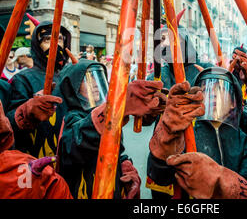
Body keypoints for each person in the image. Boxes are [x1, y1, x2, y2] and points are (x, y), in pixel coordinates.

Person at [146, 67, 247, 199]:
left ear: (234, 102)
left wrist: (221, 183)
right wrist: (165, 142)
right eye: (206, 89)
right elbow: (160, 180)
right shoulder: (183, 138)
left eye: (221, 89)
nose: (213, 94)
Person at [57, 58, 167, 199]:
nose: (96, 85)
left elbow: (115, 150)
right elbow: (74, 145)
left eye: (98, 78)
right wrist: (116, 108)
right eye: (88, 80)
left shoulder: (106, 115)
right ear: (73, 86)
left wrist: (125, 165)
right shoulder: (70, 117)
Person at [6, 16, 71, 158]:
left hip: (68, 157)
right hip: (35, 158)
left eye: (59, 39)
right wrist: (29, 109)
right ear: (37, 45)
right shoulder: (23, 78)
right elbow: (9, 123)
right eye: (47, 39)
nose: (55, 43)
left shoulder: (70, 74)